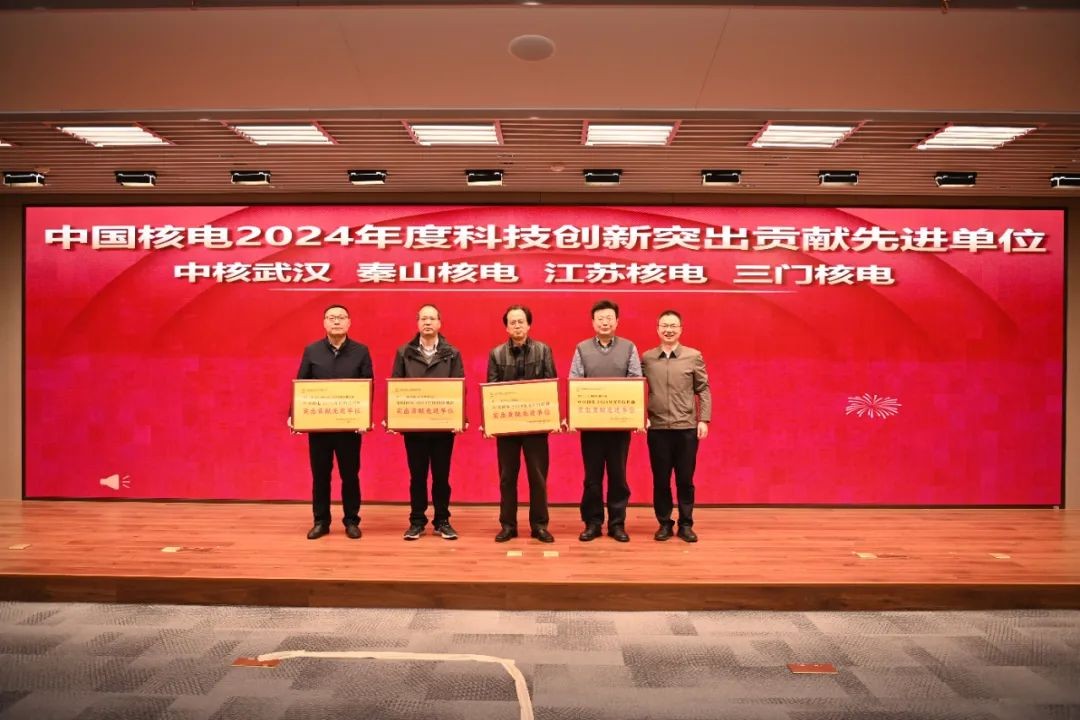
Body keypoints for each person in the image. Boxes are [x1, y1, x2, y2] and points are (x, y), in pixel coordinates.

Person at [291, 304, 373, 540]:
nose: (336, 321)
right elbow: (301, 384)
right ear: (324, 322)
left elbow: (368, 385)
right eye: (331, 317)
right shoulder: (312, 350)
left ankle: (351, 521)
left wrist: (365, 418)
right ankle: (321, 521)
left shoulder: (361, 351)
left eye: (341, 317)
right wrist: (295, 416)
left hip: (349, 427)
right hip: (320, 427)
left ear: (349, 322)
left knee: (350, 476)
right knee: (320, 476)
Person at [569, 299, 642, 542]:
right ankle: (593, 523)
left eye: (609, 318)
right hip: (591, 426)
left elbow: (636, 381)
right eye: (600, 318)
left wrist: (634, 415)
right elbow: (575, 382)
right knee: (592, 477)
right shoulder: (582, 348)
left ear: (617, 321)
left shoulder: (629, 347)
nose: (605, 322)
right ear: (593, 322)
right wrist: (575, 416)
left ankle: (617, 524)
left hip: (619, 426)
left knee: (618, 476)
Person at [392, 304, 465, 541]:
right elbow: (396, 386)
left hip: (443, 427)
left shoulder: (452, 353)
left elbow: (459, 387)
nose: (427, 322)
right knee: (417, 477)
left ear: (439, 323)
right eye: (423, 318)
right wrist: (395, 417)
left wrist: (459, 418)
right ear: (417, 323)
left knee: (441, 477)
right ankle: (416, 522)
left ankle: (442, 521)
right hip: (415, 427)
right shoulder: (404, 352)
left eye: (432, 318)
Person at [486, 305, 557, 544]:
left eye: (521, 322)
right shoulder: (496, 354)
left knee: (538, 478)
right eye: (512, 322)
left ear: (529, 325)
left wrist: (553, 417)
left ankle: (540, 526)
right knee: (507, 478)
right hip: (507, 428)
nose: (517, 326)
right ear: (506, 327)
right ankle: (508, 525)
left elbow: (550, 384)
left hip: (536, 426)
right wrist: (490, 422)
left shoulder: (543, 350)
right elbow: (492, 390)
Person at [640, 309, 711, 543]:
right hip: (657, 429)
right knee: (661, 480)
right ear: (657, 329)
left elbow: (703, 389)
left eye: (673, 326)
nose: (668, 330)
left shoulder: (693, 356)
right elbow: (635, 388)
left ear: (680, 329)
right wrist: (639, 417)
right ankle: (664, 523)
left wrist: (703, 419)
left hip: (686, 428)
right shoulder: (647, 358)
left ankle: (686, 524)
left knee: (685, 480)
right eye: (664, 326)